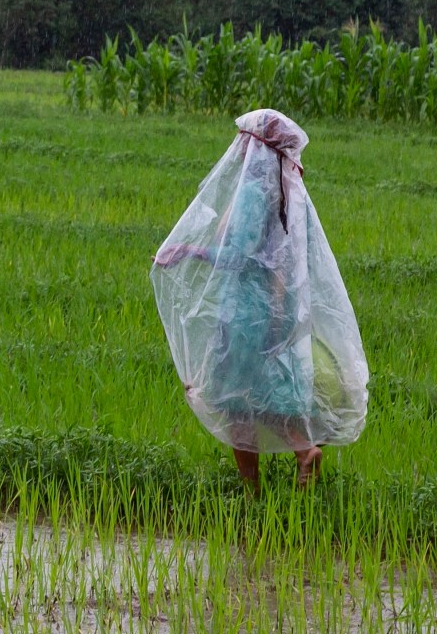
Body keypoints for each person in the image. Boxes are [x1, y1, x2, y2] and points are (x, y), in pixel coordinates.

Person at [151, 109, 368, 492]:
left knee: (234, 402)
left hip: (246, 312)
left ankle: (254, 489)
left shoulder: (253, 191)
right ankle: (303, 452)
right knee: (264, 394)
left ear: (255, 146)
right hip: (278, 308)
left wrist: (189, 250)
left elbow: (238, 253)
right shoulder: (287, 188)